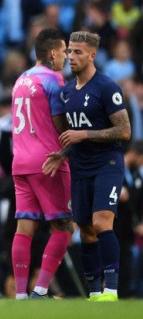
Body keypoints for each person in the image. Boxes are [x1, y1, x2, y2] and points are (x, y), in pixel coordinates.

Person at [43, 31, 132, 302]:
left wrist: (85, 135)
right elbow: (73, 135)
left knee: (102, 222)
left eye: (78, 52)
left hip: (107, 164)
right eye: (69, 51)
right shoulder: (67, 92)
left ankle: (112, 290)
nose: (71, 56)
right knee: (84, 228)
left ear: (92, 55)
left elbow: (124, 130)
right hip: (80, 166)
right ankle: (94, 293)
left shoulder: (107, 87)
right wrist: (63, 153)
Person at [10, 28, 73, 300]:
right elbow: (62, 126)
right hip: (48, 162)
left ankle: (21, 295)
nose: (66, 57)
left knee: (24, 228)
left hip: (20, 162)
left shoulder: (20, 80)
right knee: (63, 226)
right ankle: (41, 290)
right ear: (51, 53)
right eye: (63, 52)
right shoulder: (53, 80)